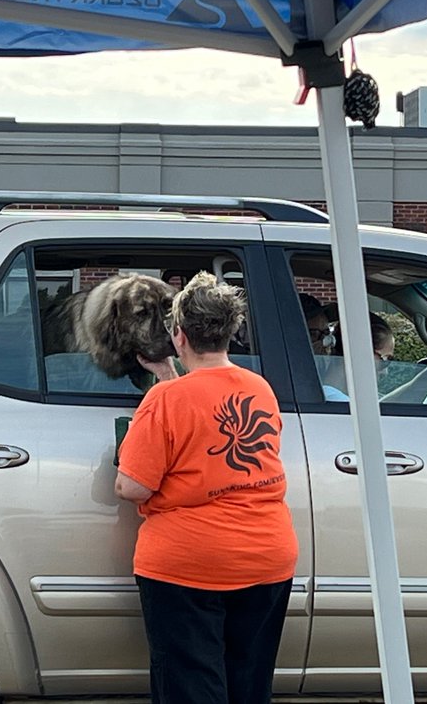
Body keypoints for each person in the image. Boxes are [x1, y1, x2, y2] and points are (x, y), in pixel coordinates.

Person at [114, 272, 297, 704]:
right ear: (230, 331)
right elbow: (210, 418)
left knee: (191, 687)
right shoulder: (260, 389)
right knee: (248, 686)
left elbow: (133, 487)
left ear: (178, 334)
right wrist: (168, 375)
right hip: (267, 560)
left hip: (189, 566)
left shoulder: (164, 401)